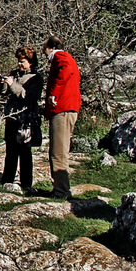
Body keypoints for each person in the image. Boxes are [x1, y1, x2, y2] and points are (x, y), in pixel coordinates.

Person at [0, 46, 43, 192]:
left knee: (25, 152)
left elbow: (28, 96)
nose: (19, 64)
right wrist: (2, 84)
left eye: (22, 61)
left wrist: (13, 85)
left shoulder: (37, 78)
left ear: (30, 61)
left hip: (25, 118)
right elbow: (4, 93)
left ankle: (26, 184)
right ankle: (7, 180)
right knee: (10, 150)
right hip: (12, 117)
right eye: (18, 61)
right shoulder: (14, 74)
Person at [42, 36, 82, 199]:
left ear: (50, 47)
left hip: (62, 108)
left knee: (58, 151)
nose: (43, 51)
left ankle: (61, 190)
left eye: (44, 47)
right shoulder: (66, 57)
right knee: (60, 150)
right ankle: (60, 188)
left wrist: (54, 94)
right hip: (68, 108)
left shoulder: (61, 57)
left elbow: (64, 71)